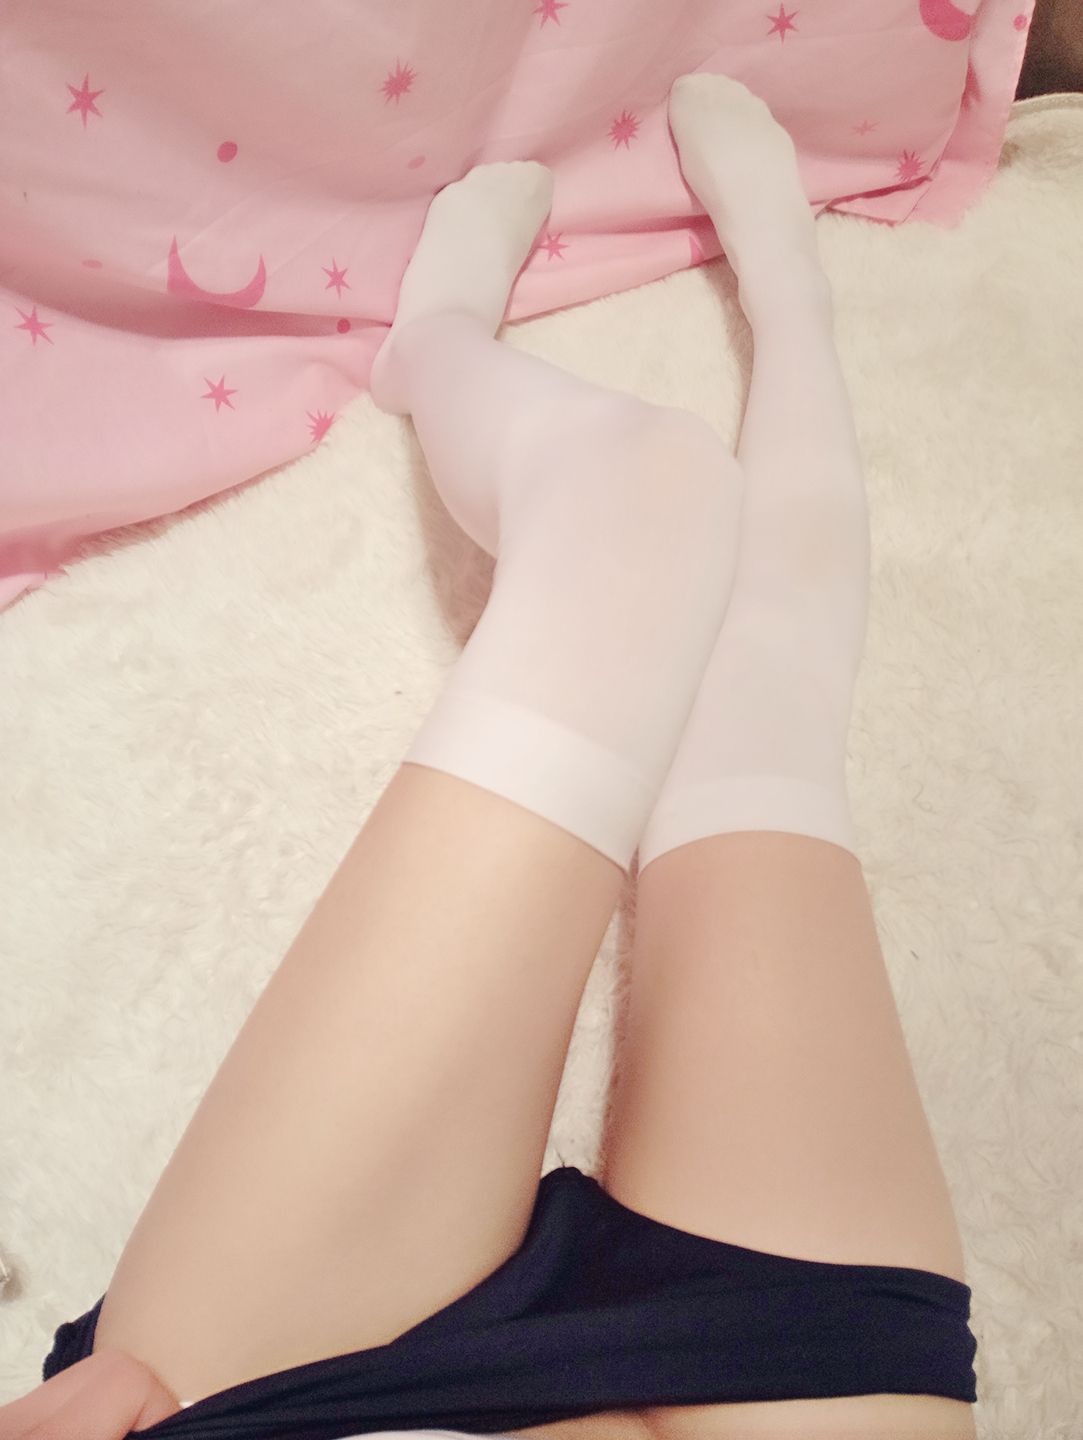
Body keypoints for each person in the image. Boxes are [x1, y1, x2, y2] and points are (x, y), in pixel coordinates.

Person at [1, 73, 976, 1440]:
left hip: (293, 1392)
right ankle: (793, 302)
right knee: (762, 701)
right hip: (785, 1393)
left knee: (647, 499)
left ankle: (441, 342)